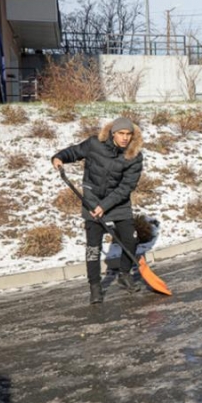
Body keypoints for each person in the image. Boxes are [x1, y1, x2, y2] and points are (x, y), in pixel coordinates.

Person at [51, 117, 144, 304]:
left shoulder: (134, 155)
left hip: (118, 202)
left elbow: (126, 186)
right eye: (121, 134)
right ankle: (95, 286)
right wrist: (59, 157)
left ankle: (124, 275)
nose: (125, 138)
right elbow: (75, 151)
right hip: (92, 201)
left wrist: (105, 206)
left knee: (130, 239)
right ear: (113, 133)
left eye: (128, 134)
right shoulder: (94, 144)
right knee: (93, 247)